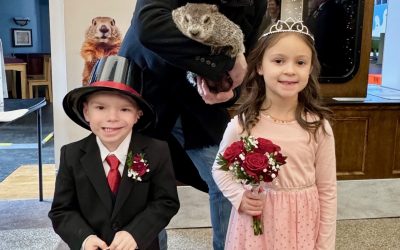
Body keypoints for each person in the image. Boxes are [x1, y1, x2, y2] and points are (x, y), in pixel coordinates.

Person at [118, 1, 267, 249]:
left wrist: (232, 90)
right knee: (141, 185)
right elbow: (150, 26)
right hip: (145, 89)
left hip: (201, 103)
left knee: (230, 179)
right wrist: (225, 63)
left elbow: (247, 58)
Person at [212, 19, 337, 249]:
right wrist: (238, 197)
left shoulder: (318, 127)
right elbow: (220, 168)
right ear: (260, 66)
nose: (289, 70)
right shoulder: (243, 124)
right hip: (255, 224)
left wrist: (325, 244)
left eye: (300, 62)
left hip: (301, 225)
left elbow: (327, 190)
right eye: (279, 61)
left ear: (310, 69)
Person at [48, 55, 180, 250]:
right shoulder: (71, 155)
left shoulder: (157, 151)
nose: (112, 118)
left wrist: (136, 233)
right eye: (100, 107)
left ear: (138, 115)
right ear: (86, 112)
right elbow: (61, 210)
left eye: (125, 109)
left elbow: (166, 201)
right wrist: (84, 238)